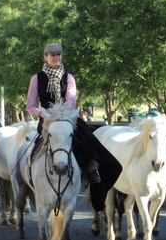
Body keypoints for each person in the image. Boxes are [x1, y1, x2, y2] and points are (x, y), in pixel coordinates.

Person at [27, 43, 122, 211]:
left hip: (66, 117)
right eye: (52, 55)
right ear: (45, 57)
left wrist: (63, 114)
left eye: (59, 54)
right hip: (47, 119)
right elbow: (31, 105)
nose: (56, 57)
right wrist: (44, 114)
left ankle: (92, 166)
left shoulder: (69, 77)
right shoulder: (36, 78)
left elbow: (71, 100)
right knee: (34, 144)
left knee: (84, 137)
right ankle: (30, 169)